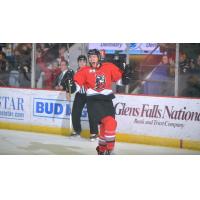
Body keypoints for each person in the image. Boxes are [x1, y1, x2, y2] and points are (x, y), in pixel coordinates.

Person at [73, 49, 131, 155]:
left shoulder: (108, 66)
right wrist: (71, 86)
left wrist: (126, 77)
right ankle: (110, 149)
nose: (91, 59)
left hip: (107, 101)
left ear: (99, 57)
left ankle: (101, 149)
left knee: (106, 127)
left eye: (94, 56)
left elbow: (120, 81)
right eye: (90, 57)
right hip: (94, 102)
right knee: (111, 122)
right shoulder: (84, 70)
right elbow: (76, 86)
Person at [71, 55, 99, 141]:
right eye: (80, 61)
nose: (82, 62)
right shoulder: (75, 72)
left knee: (92, 114)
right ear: (78, 62)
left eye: (83, 61)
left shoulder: (90, 70)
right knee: (75, 113)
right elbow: (73, 85)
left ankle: (94, 133)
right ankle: (77, 130)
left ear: (86, 62)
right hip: (79, 95)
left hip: (89, 94)